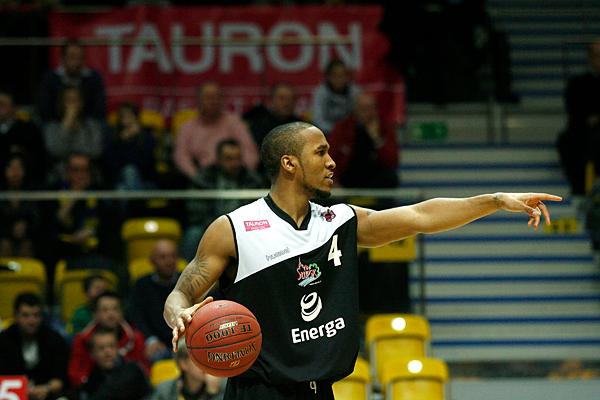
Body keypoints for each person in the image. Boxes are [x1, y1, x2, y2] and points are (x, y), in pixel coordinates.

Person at [164, 121, 562, 399]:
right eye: (321, 152)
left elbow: (420, 216)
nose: (332, 162)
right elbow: (180, 294)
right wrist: (179, 313)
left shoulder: (339, 220)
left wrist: (494, 201)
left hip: (320, 390)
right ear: (289, 163)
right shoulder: (233, 228)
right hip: (259, 392)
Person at [181, 139, 264, 260]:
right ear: (219, 159)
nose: (235, 163)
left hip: (243, 227)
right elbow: (195, 210)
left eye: (238, 158)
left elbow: (260, 210)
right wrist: (218, 227)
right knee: (193, 234)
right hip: (210, 225)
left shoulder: (253, 180)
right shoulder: (204, 178)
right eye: (229, 159)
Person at [173, 81, 259, 185]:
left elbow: (250, 151)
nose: (212, 101)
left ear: (222, 100)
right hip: (201, 177)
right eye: (208, 97)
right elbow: (180, 156)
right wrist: (196, 176)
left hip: (235, 176)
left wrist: (242, 173)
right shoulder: (187, 127)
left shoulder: (234, 122)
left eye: (216, 97)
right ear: (198, 100)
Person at [69, 291, 148, 387]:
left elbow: (143, 370)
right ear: (95, 314)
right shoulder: (82, 340)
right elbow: (76, 374)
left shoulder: (135, 338)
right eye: (105, 310)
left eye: (115, 309)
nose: (111, 315)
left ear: (122, 313)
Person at [0, 293, 69, 400]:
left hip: (47, 394)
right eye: (25, 315)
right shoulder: (4, 340)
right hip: (11, 394)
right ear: (15, 316)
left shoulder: (54, 339)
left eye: (36, 315)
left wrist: (46, 389)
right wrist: (21, 388)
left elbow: (61, 378)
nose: (31, 321)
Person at [327, 93, 399, 188]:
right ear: (355, 110)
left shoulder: (385, 128)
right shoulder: (343, 127)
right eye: (362, 108)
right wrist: (333, 180)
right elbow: (330, 157)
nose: (366, 112)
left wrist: (376, 138)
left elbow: (392, 161)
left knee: (391, 178)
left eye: (369, 108)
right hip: (349, 177)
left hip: (376, 178)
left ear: (375, 110)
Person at [557, 38, 600, 195]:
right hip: (583, 136)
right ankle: (581, 192)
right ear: (590, 58)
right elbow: (574, 111)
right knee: (569, 143)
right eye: (597, 55)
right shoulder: (578, 84)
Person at [129, 239, 181, 362]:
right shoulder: (141, 285)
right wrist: (150, 339)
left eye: (172, 256)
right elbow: (137, 316)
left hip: (185, 340)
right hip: (156, 342)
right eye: (163, 257)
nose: (169, 261)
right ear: (152, 261)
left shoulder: (188, 282)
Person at [73, 327, 151, 400]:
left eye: (112, 346)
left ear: (118, 348)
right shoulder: (91, 380)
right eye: (101, 348)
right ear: (92, 354)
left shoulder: (132, 370)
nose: (108, 352)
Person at [37, 40, 106, 122]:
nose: (76, 62)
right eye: (72, 57)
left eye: (80, 58)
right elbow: (44, 109)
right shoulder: (50, 79)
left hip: (87, 124)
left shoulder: (94, 78)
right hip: (56, 124)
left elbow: (99, 110)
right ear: (62, 58)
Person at [43, 86, 104, 169]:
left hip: (87, 168)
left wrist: (77, 158)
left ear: (82, 103)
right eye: (69, 100)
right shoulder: (52, 127)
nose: (72, 104)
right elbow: (56, 151)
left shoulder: (92, 125)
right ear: (61, 103)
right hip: (63, 170)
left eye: (76, 100)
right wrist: (66, 125)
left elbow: (96, 151)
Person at [102, 101, 158, 191]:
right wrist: (122, 141)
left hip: (145, 181)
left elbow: (145, 164)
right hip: (120, 179)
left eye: (129, 115)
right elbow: (112, 164)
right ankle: (135, 199)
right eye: (123, 116)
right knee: (121, 186)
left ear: (136, 117)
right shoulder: (113, 137)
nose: (126, 119)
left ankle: (133, 198)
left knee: (129, 173)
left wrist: (132, 138)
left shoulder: (147, 136)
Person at [151, 338, 224, 400]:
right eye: (199, 357)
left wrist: (213, 394)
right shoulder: (165, 391)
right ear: (183, 364)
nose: (206, 363)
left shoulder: (223, 385)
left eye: (208, 356)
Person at [0, 90, 47, 184]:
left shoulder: (28, 129)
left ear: (14, 108)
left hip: (27, 183)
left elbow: (39, 158)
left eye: (3, 105)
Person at [0, 152, 41, 258]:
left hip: (28, 238)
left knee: (26, 246)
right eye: (11, 167)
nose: (15, 172)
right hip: (3, 238)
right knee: (5, 245)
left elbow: (38, 219)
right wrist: (10, 230)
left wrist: (26, 227)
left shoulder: (32, 193)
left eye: (19, 167)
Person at [311, 59, 360, 134]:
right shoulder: (320, 93)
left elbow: (360, 117)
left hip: (350, 132)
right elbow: (317, 119)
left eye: (342, 75)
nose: (339, 79)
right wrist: (336, 130)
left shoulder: (355, 91)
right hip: (327, 133)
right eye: (335, 75)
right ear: (328, 77)